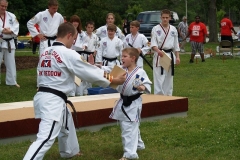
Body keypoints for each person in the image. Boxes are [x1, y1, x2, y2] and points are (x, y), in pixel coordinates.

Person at [23, 22, 126, 160]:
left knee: (66, 122)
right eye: (74, 39)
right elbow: (90, 72)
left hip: (44, 95)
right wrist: (113, 79)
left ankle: (69, 151)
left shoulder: (46, 52)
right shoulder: (68, 53)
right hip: (52, 100)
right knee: (45, 137)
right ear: (69, 35)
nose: (73, 42)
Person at [102, 48, 151, 160]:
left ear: (133, 58)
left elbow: (147, 85)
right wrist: (97, 67)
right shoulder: (120, 70)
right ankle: (138, 145)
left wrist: (141, 87)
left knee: (128, 127)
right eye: (121, 56)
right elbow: (107, 70)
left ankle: (129, 155)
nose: (122, 58)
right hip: (123, 101)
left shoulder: (140, 72)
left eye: (124, 56)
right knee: (133, 125)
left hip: (133, 102)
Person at [150, 9, 180, 96]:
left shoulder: (173, 29)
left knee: (169, 79)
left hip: (170, 55)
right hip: (160, 55)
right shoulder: (155, 29)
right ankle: (159, 98)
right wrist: (158, 51)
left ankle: (168, 97)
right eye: (163, 17)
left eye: (167, 17)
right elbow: (153, 44)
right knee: (159, 79)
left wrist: (177, 57)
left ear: (170, 18)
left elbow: (176, 45)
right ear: (160, 17)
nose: (165, 19)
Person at [0, 0, 20, 87]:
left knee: (11, 63)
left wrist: (10, 31)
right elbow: (3, 30)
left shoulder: (11, 16)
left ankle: (12, 81)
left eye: (5, 6)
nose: (4, 8)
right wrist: (3, 30)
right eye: (2, 6)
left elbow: (16, 26)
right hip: (0, 40)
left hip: (9, 42)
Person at [68, 15, 88, 97]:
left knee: (80, 73)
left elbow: (86, 43)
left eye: (77, 22)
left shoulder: (82, 33)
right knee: (71, 72)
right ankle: (71, 92)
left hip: (80, 54)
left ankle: (80, 91)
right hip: (70, 54)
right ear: (71, 22)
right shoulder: (68, 32)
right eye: (74, 21)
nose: (75, 23)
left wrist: (85, 46)